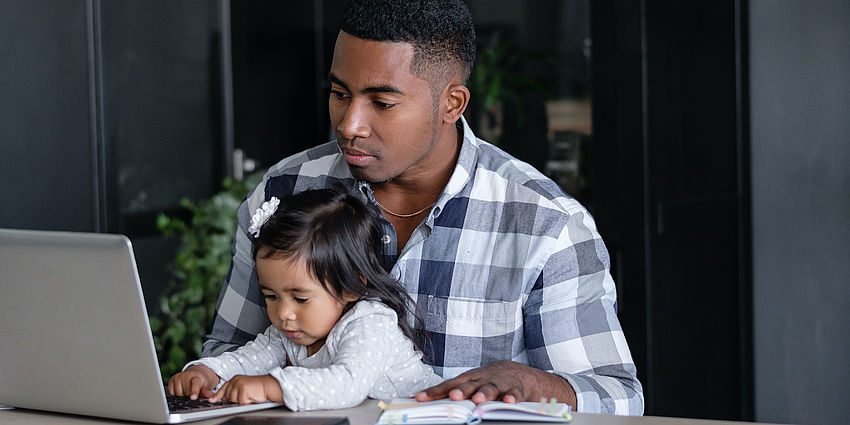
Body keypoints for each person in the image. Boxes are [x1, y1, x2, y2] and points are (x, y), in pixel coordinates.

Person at [204, 0, 643, 415]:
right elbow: (229, 354)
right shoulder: (285, 190)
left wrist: (533, 383)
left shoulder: (546, 224)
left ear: (452, 103)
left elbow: (619, 398)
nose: (349, 124)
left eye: (382, 102)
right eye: (340, 93)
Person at [169, 188, 442, 410]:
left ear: (352, 286)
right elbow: (247, 360)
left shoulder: (371, 322)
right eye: (270, 296)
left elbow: (347, 385)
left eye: (300, 298)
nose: (284, 313)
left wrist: (272, 386)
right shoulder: (291, 334)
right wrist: (206, 372)